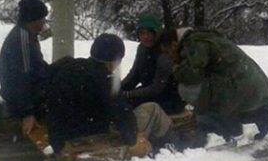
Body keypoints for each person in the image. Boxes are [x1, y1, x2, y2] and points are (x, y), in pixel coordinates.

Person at [45, 33, 174, 154]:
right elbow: (123, 117)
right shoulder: (107, 81)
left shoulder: (67, 65)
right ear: (115, 60)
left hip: (59, 135)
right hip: (88, 139)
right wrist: (134, 141)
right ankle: (171, 150)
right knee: (153, 109)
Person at [159, 28, 268, 145]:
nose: (168, 56)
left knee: (188, 90)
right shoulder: (200, 37)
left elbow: (192, 75)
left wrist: (177, 69)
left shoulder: (195, 43)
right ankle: (260, 115)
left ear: (174, 44)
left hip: (236, 83)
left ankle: (228, 128)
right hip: (245, 81)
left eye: (167, 52)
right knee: (218, 100)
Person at [0, 0, 50, 136]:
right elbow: (21, 78)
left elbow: (37, 66)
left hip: (28, 94)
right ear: (33, 20)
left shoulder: (27, 35)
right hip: (21, 101)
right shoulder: (22, 40)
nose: (43, 24)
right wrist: (28, 113)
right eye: (42, 20)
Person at [121, 13, 185, 114]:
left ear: (157, 33)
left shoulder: (165, 50)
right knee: (120, 102)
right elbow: (134, 75)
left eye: (149, 33)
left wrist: (128, 94)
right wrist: (118, 89)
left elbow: (157, 87)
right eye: (142, 33)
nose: (145, 37)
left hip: (169, 98)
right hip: (148, 93)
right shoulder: (142, 49)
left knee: (128, 105)